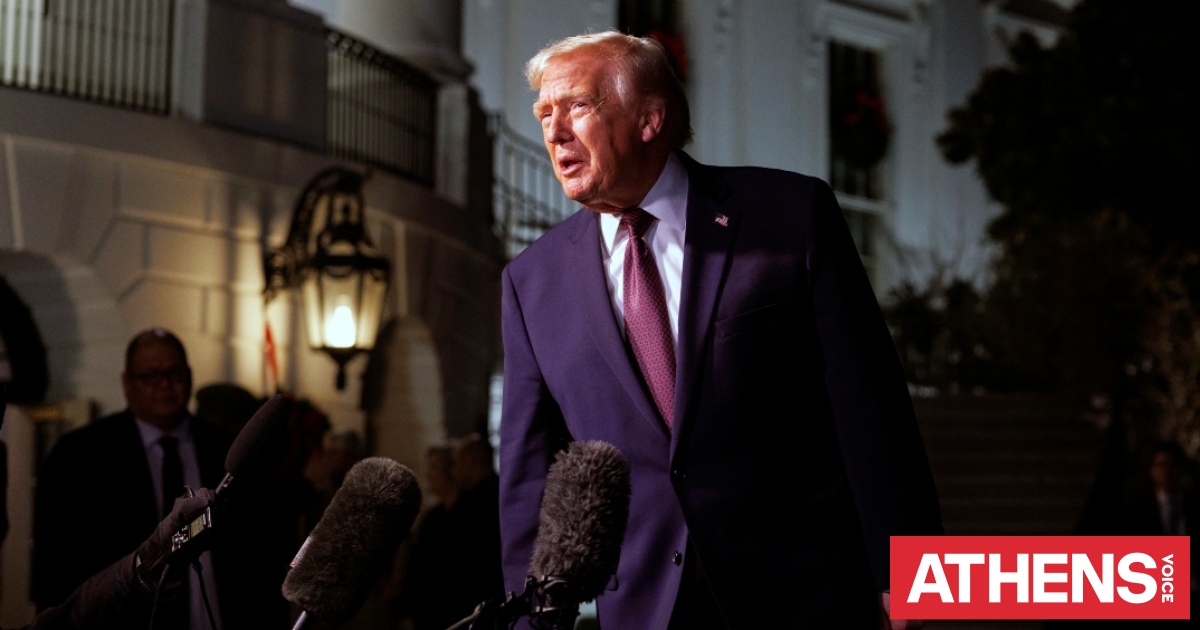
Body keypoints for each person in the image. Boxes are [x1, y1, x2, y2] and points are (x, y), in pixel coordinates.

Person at [498, 31, 942, 629]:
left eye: (577, 105)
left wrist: (908, 572)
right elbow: (529, 477)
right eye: (544, 114)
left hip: (804, 592)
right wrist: (528, 621)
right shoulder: (531, 282)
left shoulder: (789, 216)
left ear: (650, 119)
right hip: (647, 608)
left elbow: (868, 405)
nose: (554, 133)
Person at [32, 328, 286, 629]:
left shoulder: (227, 451)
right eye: (151, 376)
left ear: (189, 377)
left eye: (174, 373)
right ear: (127, 383)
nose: (164, 384)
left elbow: (261, 550)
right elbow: (54, 563)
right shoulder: (80, 454)